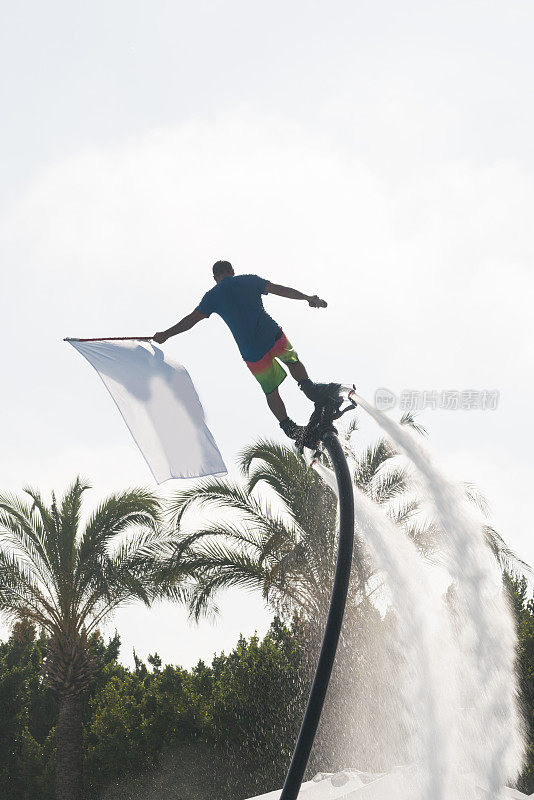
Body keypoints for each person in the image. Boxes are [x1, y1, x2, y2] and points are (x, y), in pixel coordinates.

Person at [153, 260, 339, 440]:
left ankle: (289, 428)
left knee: (271, 391)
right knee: (292, 361)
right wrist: (307, 297)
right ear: (232, 271)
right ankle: (310, 390)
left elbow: (190, 320)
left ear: (215, 277)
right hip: (272, 335)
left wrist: (166, 334)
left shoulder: (212, 296)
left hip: (252, 352)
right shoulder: (249, 280)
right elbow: (280, 290)